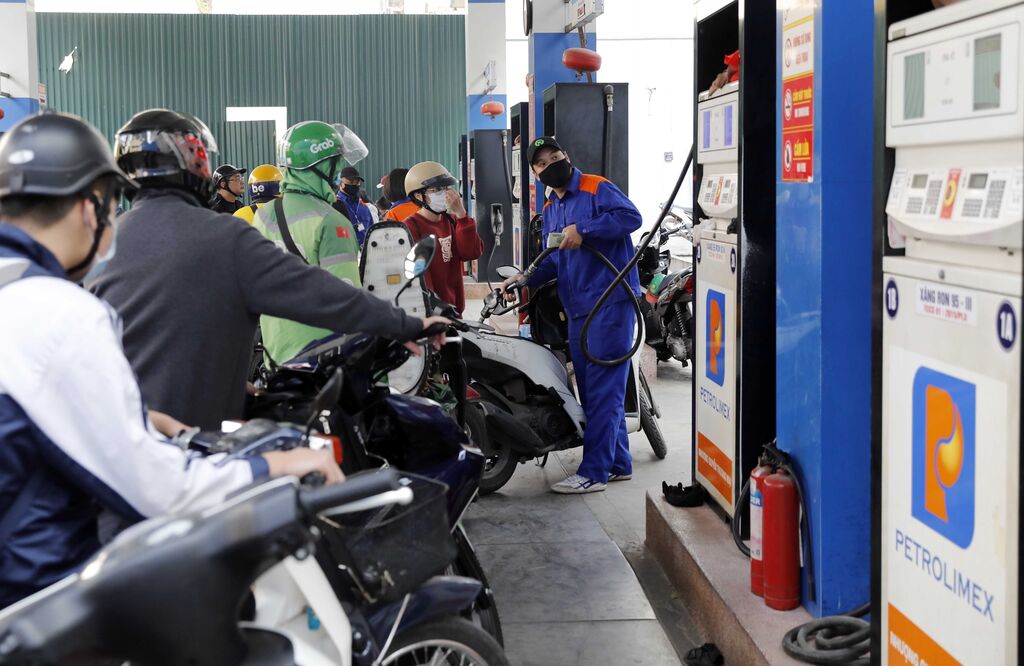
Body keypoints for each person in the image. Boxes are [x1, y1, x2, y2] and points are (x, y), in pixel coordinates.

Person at [0, 113, 342, 608]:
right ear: (88, 206)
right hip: (42, 597)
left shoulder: (19, 293)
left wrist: (139, 416)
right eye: (111, 205)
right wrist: (272, 464)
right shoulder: (64, 311)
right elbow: (156, 486)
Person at [91, 109, 447, 430]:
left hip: (113, 438)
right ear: (195, 164)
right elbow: (322, 291)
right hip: (199, 447)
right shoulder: (225, 236)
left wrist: (233, 383)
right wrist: (404, 324)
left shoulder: (100, 245)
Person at [502, 137, 642, 494]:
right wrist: (524, 278)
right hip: (578, 308)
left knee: (603, 391)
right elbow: (554, 258)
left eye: (555, 156)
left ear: (567, 156)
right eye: (541, 163)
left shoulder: (596, 187)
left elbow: (631, 217)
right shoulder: (551, 207)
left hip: (610, 302)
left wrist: (585, 230)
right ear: (535, 174)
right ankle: (618, 462)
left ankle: (594, 472)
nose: (551, 164)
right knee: (592, 390)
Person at [251, 121, 375, 366]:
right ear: (320, 165)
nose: (339, 171)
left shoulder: (263, 215)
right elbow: (347, 303)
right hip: (322, 362)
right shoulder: (331, 221)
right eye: (336, 162)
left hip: (276, 357)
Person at [400, 161, 483, 316]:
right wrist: (435, 310)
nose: (445, 193)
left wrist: (462, 215)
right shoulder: (410, 228)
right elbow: (418, 277)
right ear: (419, 196)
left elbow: (471, 252)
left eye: (446, 188)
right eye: (437, 190)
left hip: (455, 313)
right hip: (430, 314)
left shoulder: (453, 221)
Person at [333, 165, 374, 246]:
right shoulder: (334, 205)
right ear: (341, 182)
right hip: (344, 249)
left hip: (365, 251)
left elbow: (372, 230)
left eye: (357, 182)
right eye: (351, 182)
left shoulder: (364, 207)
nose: (354, 185)